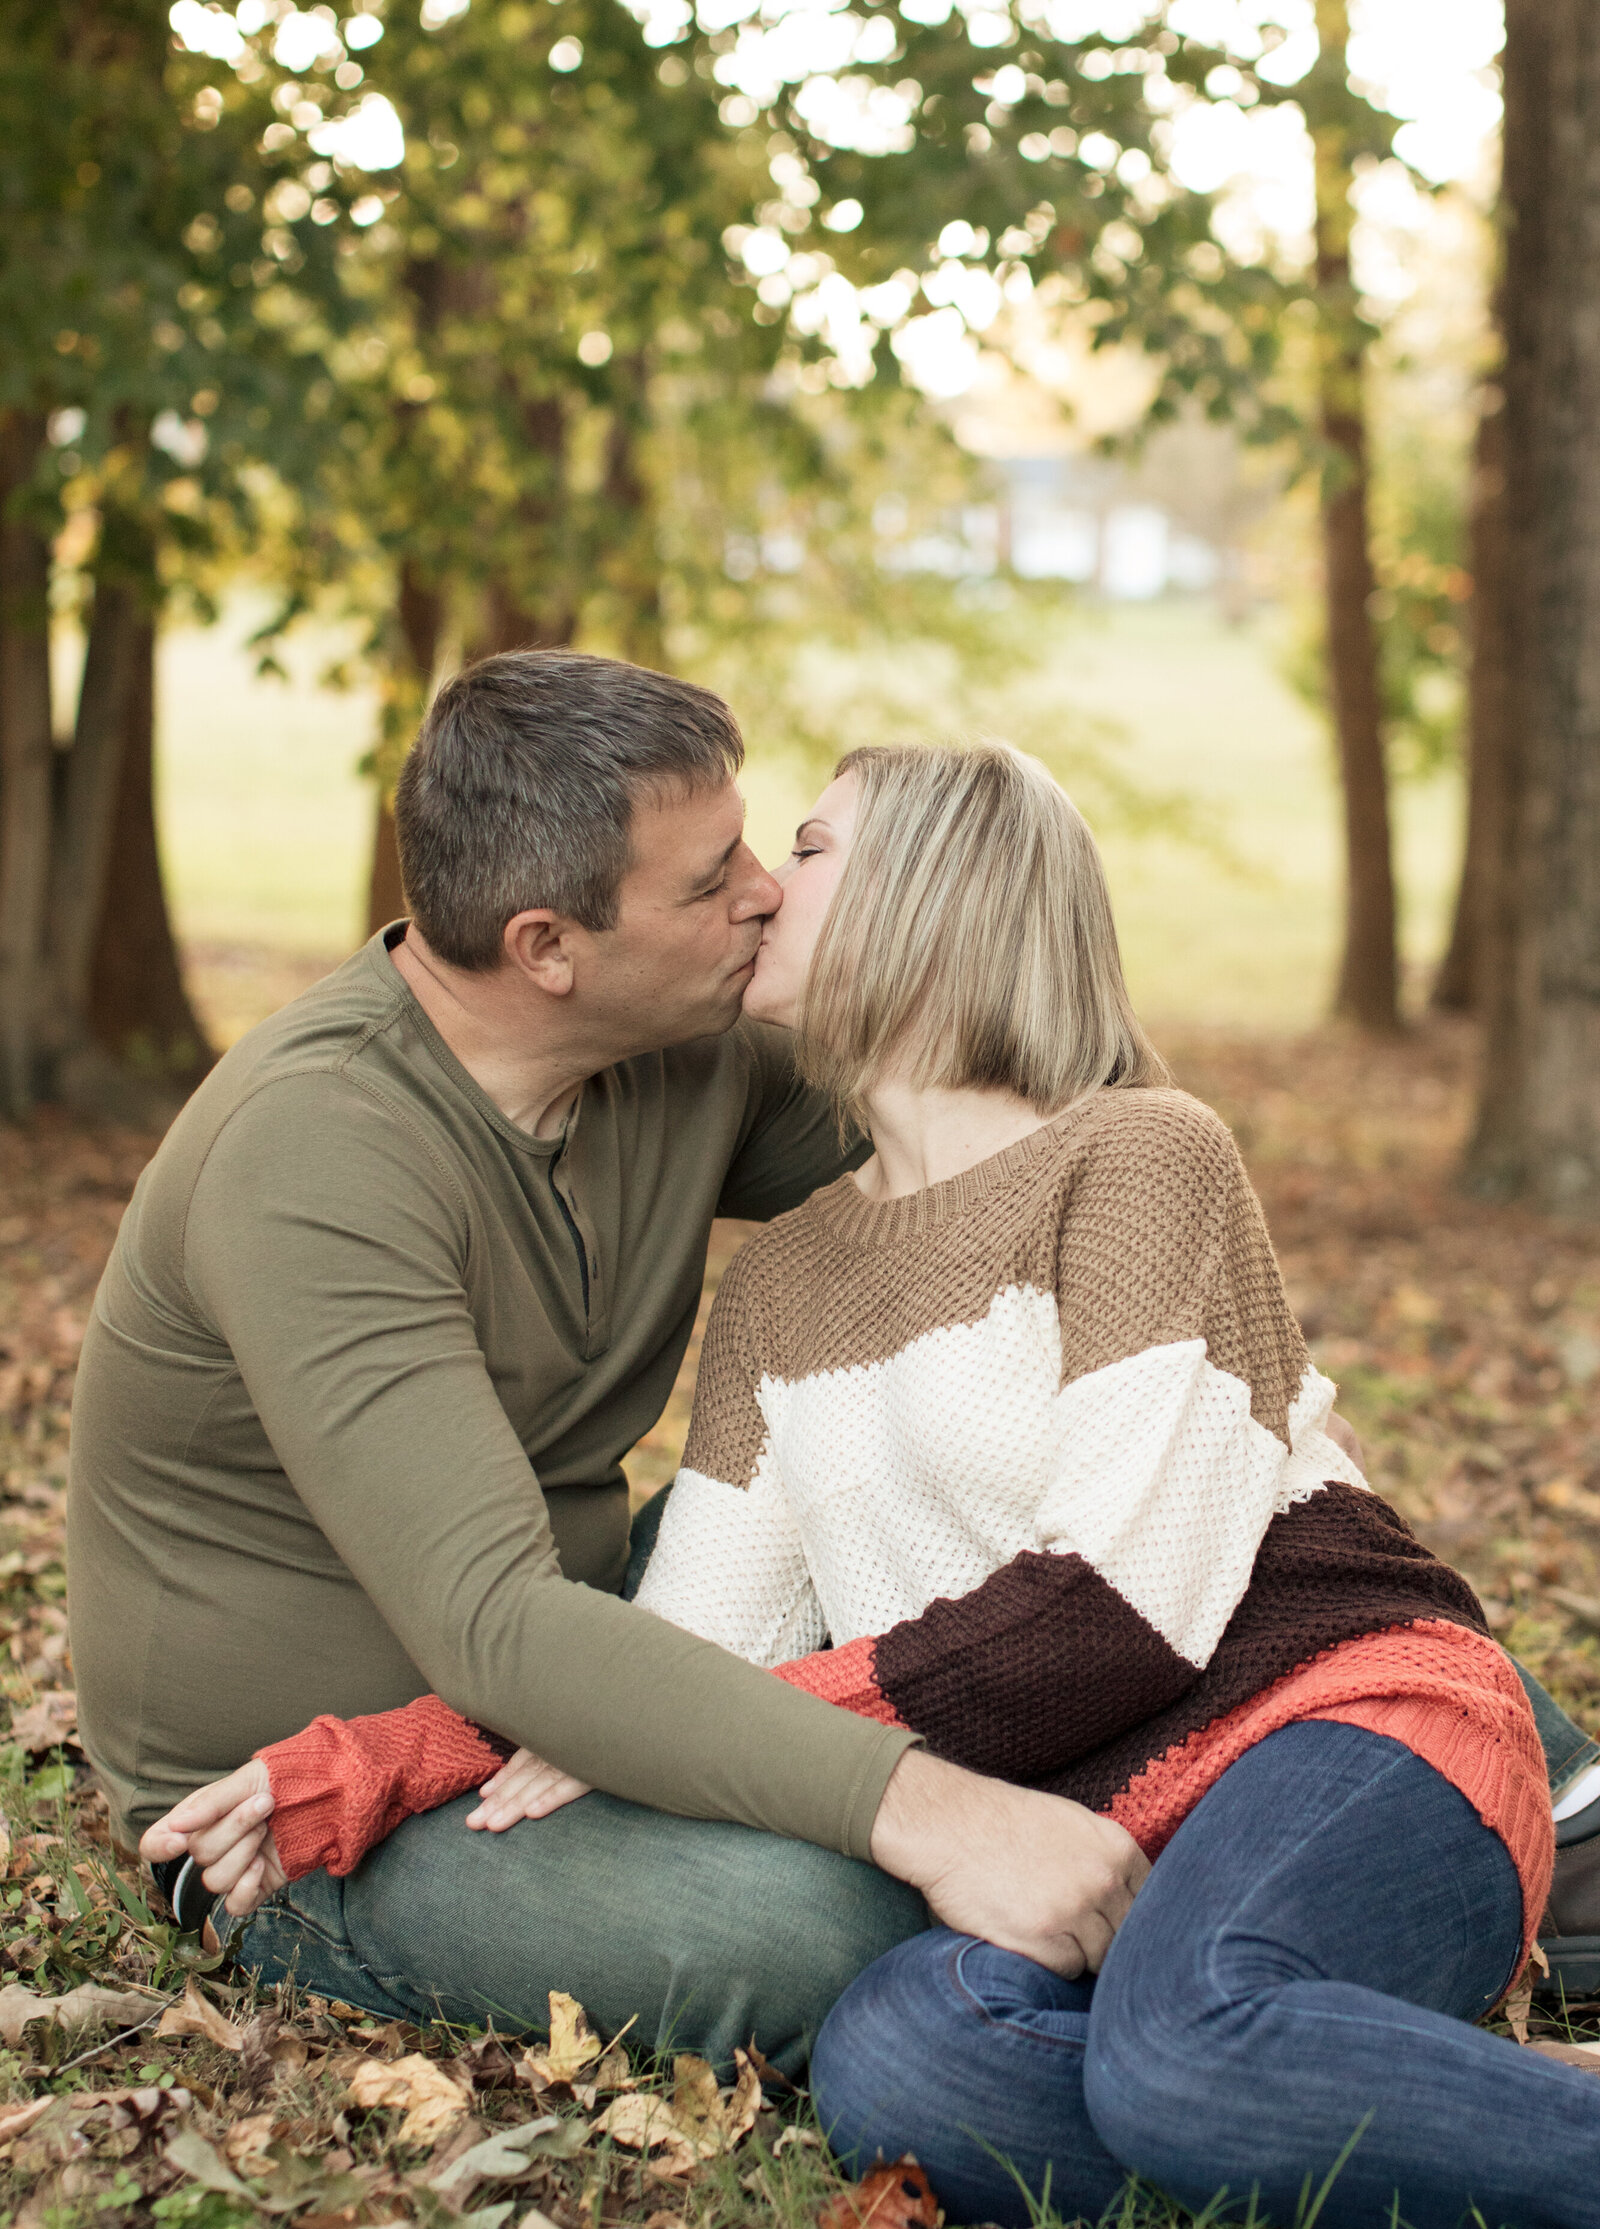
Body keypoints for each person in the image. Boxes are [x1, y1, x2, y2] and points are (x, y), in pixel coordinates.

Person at [151, 742, 1600, 2229]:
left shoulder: (1138, 1155)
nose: (764, 889)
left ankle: (1297, 2064)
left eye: (809, 848)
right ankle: (1401, 2093)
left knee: (1182, 2049)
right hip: (1089, 1830)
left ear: (939, 896)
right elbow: (683, 1661)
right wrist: (394, 1755)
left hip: (1336, 1725)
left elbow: (1114, 1616)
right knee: (903, 2072)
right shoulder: (780, 1285)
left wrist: (456, 1735)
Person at [71, 652, 1158, 2078]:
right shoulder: (318, 1152)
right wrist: (941, 1811)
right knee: (815, 1926)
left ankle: (1508, 1794)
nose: (764, 893)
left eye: (761, 848)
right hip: (317, 1803)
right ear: (546, 948)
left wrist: (994, 948)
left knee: (1093, 1489)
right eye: (710, 884)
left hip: (601, 1625)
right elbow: (495, 1626)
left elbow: (1032, 1141)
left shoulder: (679, 1052)